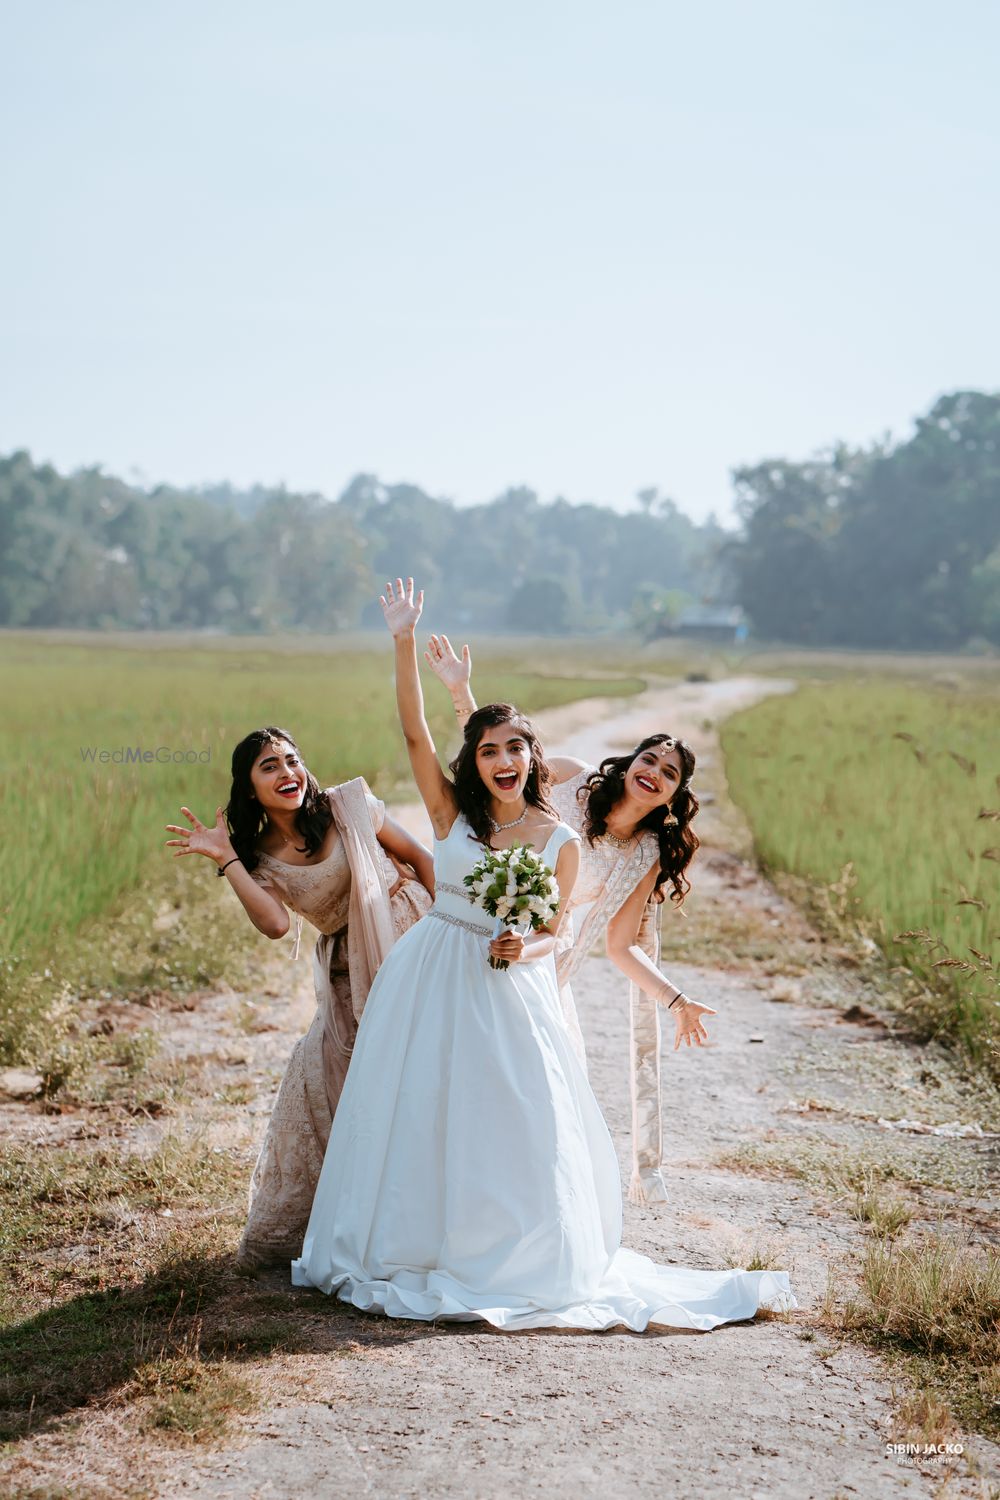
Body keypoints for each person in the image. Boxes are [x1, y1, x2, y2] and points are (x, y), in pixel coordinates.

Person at [292, 580, 796, 1331]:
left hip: (511, 979)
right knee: (416, 1104)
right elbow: (417, 735)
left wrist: (525, 943)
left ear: (533, 761)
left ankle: (504, 1249)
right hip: (428, 973)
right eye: (490, 750)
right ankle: (409, 1241)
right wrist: (404, 644)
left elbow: (560, 930)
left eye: (515, 749)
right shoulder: (451, 812)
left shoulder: (558, 840)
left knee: (511, 1114)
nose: (502, 758)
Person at [426, 633, 712, 1205]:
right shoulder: (574, 781)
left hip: (538, 957)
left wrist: (677, 1001)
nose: (653, 771)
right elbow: (502, 768)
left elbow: (621, 946)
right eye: (648, 758)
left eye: (669, 772)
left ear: (674, 796)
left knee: (534, 1091)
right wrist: (460, 692)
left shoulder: (646, 856)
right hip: (473, 926)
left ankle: (515, 1203)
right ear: (631, 763)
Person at [165, 725, 434, 1267]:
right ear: (248, 789)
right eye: (269, 766)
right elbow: (273, 926)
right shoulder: (259, 858)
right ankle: (361, 1218)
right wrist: (227, 859)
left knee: (429, 1068)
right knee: (329, 1080)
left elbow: (423, 858)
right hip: (350, 970)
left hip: (416, 938)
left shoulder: (348, 807)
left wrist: (452, 926)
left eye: (291, 760)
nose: (287, 773)